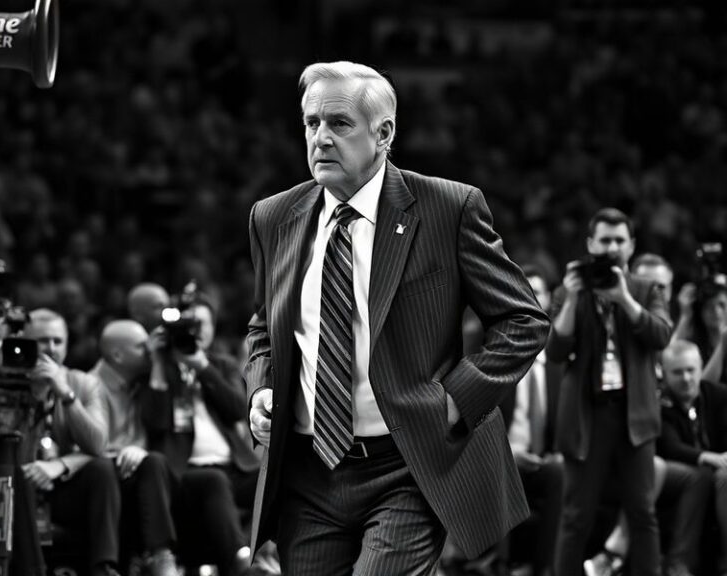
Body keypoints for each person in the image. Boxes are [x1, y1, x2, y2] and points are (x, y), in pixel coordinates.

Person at [244, 60, 550, 575]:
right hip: (308, 473)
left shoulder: (448, 207)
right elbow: (264, 326)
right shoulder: (272, 216)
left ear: (383, 133)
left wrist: (456, 401)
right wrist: (260, 389)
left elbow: (523, 321)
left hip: (407, 466)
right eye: (311, 122)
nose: (320, 137)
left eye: (339, 124)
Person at [548, 207, 672, 576]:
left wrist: (624, 300)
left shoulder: (645, 289)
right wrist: (570, 299)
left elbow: (661, 335)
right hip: (588, 414)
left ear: (631, 246)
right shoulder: (571, 289)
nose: (612, 247)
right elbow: (555, 351)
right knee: (575, 515)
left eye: (620, 240)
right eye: (605, 239)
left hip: (635, 414)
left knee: (642, 512)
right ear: (590, 244)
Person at [143, 294, 259, 576]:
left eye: (202, 323)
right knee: (213, 480)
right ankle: (241, 562)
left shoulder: (221, 365)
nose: (196, 330)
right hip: (185, 474)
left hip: (235, 468)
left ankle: (282, 559)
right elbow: (155, 424)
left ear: (213, 328)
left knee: (277, 477)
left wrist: (201, 367)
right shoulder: (159, 366)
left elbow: (236, 410)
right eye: (189, 322)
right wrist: (158, 364)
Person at [18, 309, 121, 576]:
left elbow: (99, 444)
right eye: (42, 340)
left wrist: (65, 393)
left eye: (58, 341)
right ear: (24, 340)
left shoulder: (84, 382)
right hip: (21, 479)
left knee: (102, 470)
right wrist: (36, 393)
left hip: (62, 487)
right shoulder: (9, 379)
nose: (51, 349)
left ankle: (103, 568)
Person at [91, 320, 178, 576]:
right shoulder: (91, 384)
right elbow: (91, 443)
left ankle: (160, 555)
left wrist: (159, 363)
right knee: (153, 462)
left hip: (136, 473)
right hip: (104, 476)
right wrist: (124, 451)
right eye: (142, 347)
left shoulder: (139, 381)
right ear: (117, 355)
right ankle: (160, 558)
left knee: (154, 462)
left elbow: (157, 424)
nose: (149, 350)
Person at [500, 264, 563, 576]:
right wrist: (506, 452)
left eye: (538, 290)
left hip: (543, 461)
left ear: (549, 298)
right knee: (498, 467)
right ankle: (497, 567)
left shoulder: (560, 364)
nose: (531, 295)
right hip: (502, 457)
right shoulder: (496, 350)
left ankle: (546, 569)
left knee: (559, 470)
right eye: (525, 288)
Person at [657, 340, 727, 576]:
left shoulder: (717, 395)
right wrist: (706, 456)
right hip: (682, 478)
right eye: (677, 372)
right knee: (706, 475)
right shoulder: (661, 403)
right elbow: (670, 446)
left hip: (719, 476)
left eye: (690, 370)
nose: (686, 378)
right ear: (664, 374)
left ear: (701, 368)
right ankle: (678, 565)